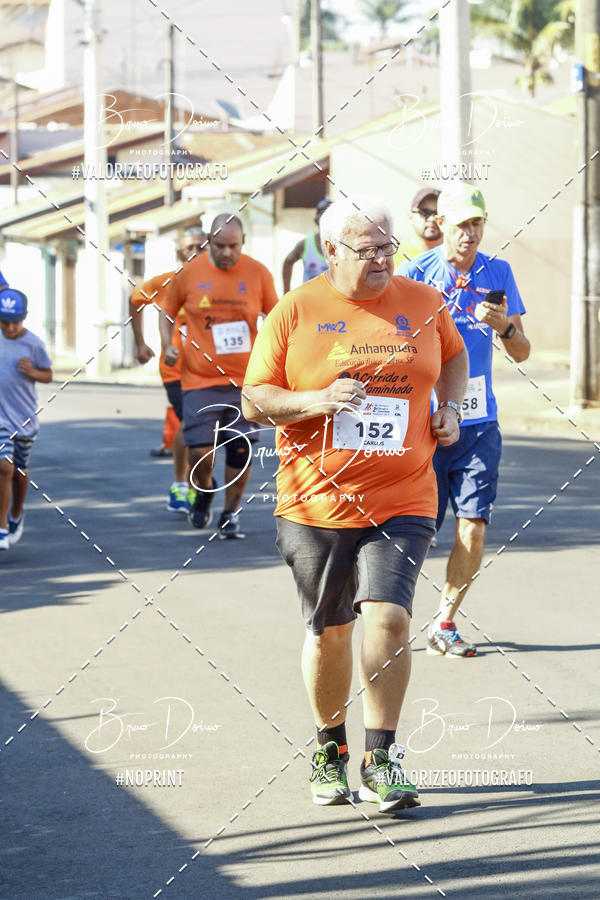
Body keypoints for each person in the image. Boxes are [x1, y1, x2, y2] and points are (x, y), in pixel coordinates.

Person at [243, 195, 468, 811]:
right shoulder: (296, 310)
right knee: (331, 632)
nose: (379, 259)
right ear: (331, 250)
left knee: (389, 618)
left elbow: (452, 354)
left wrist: (449, 409)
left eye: (386, 247)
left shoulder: (423, 303)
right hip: (316, 505)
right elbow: (253, 402)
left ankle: (383, 757)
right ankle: (328, 747)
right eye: (365, 249)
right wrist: (316, 401)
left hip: (406, 493)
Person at [397, 183, 530, 658]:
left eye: (477, 224)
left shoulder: (500, 272)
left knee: (472, 527)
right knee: (418, 531)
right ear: (442, 226)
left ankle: (445, 622)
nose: (469, 234)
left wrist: (505, 327)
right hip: (424, 426)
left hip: (479, 425)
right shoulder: (415, 273)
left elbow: (522, 351)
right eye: (461, 225)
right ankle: (393, 616)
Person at [161, 213, 278, 537]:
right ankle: (204, 492)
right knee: (202, 451)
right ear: (209, 243)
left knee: (240, 449)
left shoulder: (258, 273)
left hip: (245, 381)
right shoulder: (189, 273)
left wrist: (275, 357)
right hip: (199, 380)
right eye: (220, 246)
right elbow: (167, 313)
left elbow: (276, 317)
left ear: (242, 243)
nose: (227, 253)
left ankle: (230, 512)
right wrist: (165, 345)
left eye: (234, 246)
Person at [129, 226, 207, 514]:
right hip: (175, 370)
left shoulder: (221, 284)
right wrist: (140, 343)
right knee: (191, 422)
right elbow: (135, 300)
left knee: (203, 429)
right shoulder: (166, 282)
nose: (197, 252)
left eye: (202, 246)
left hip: (210, 372)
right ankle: (180, 486)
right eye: (190, 248)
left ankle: (195, 485)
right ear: (180, 253)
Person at [0, 288, 53, 550]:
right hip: (1, 420)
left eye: (15, 322)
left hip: (23, 419)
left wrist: (33, 371)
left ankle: (17, 512)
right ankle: (2, 526)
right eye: (4, 322)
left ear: (25, 318)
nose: (10, 328)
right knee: (5, 466)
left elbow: (48, 374)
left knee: (19, 471)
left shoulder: (33, 343)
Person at [281, 198, 332, 292]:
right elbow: (288, 262)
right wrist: (286, 292)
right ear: (316, 220)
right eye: (322, 213)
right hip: (309, 302)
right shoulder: (305, 244)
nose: (325, 217)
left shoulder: (343, 245)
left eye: (330, 214)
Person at [393, 187, 442, 270]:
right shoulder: (395, 255)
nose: (432, 219)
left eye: (438, 213)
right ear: (410, 215)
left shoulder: (457, 256)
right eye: (425, 212)